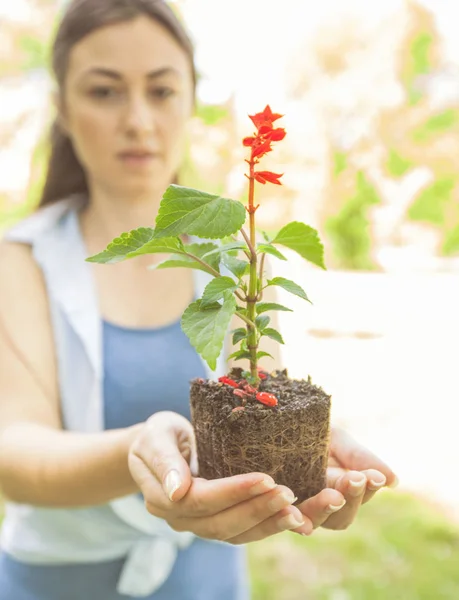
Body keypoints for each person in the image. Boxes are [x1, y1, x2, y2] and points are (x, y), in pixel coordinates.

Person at [0, 1, 398, 599]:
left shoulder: (235, 256)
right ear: (62, 107)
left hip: (206, 582)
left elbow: (256, 385)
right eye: (104, 92)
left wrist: (302, 458)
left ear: (190, 99)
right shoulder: (19, 261)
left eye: (161, 91)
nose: (138, 120)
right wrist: (138, 452)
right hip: (56, 582)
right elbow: (13, 450)